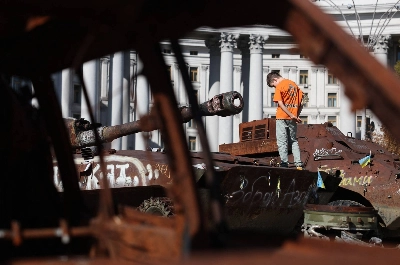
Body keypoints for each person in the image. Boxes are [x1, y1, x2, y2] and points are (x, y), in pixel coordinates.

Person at [267, 72, 303, 168]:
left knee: (282, 141)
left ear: (275, 80)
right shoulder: (294, 85)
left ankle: (284, 163)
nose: (274, 87)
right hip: (292, 118)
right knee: (293, 140)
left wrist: (291, 115)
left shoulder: (280, 86)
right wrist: (295, 115)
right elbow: (302, 102)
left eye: (273, 85)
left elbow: (280, 103)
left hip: (282, 117)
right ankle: (298, 163)